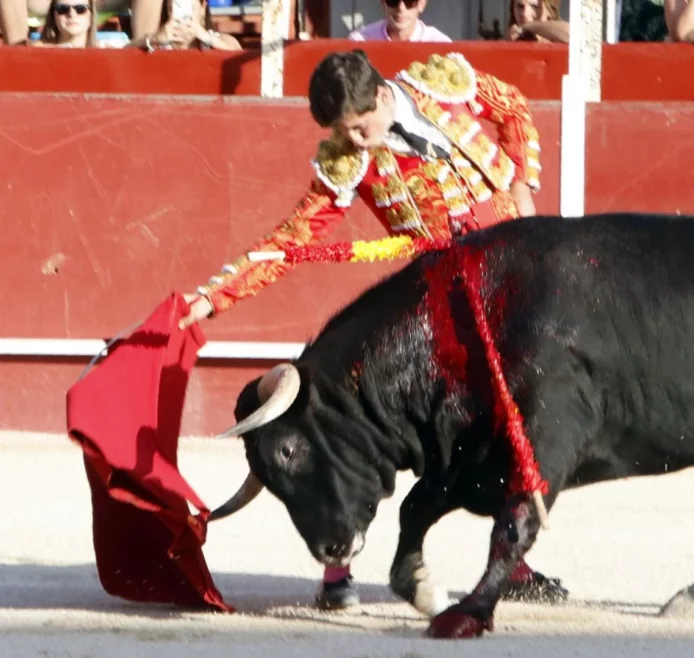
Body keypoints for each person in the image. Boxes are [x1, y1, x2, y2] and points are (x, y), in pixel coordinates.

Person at [178, 49, 543, 610]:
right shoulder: (349, 162)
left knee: (516, 419)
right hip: (443, 301)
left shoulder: (443, 84)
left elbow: (513, 106)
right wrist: (214, 297)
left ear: (380, 97)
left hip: (516, 281)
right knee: (354, 421)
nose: (353, 140)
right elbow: (290, 239)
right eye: (343, 132)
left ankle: (510, 558)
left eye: (358, 127)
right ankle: (337, 569)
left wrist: (522, 183)